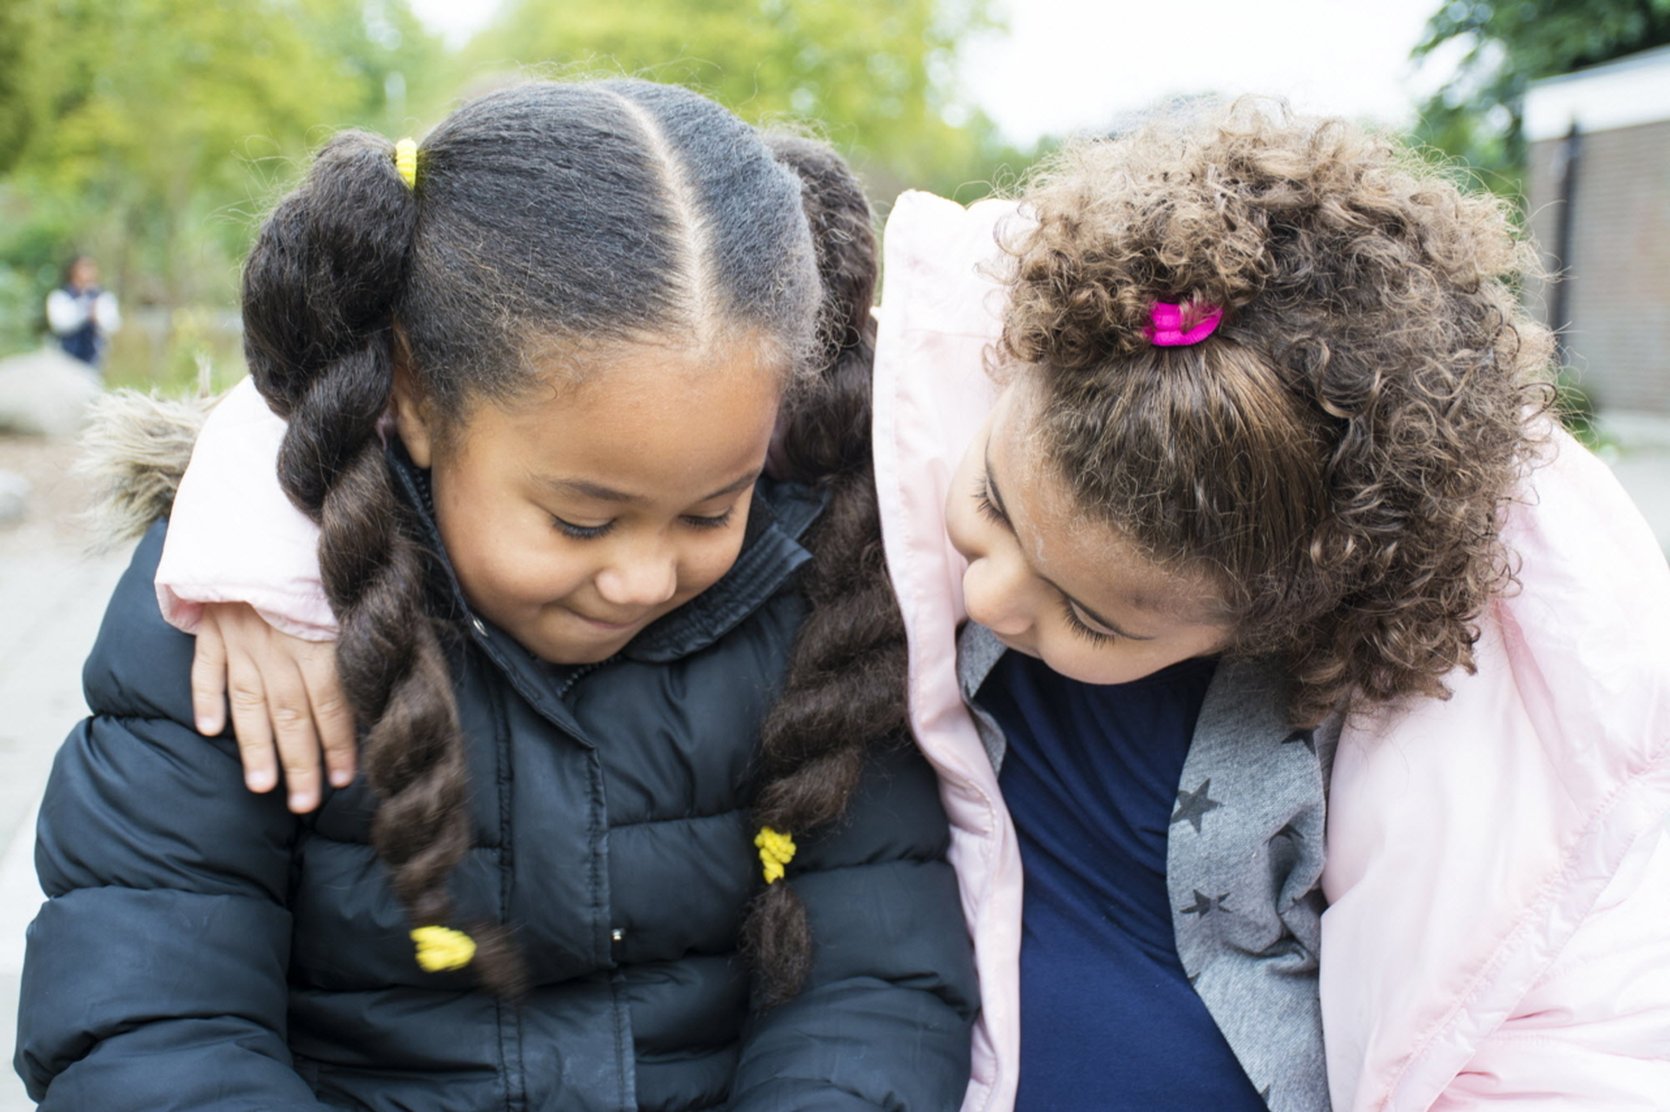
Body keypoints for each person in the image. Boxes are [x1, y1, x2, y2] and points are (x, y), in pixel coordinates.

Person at [129, 101, 1670, 1112]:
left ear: (1289, 615)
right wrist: (255, 535)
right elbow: (527, 263)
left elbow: (1572, 1040)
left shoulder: (1501, 694)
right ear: (991, 383)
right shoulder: (893, 418)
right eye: (994, 514)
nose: (982, 594)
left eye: (1095, 615)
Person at [14, 79, 976, 1111]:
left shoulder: (825, 592)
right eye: (581, 520)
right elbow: (146, 1017)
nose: (643, 576)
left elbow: (874, 987)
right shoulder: (241, 623)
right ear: (418, 399)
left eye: (710, 510)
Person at [46, 254, 120, 371]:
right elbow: (60, 324)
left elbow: (113, 325)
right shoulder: (61, 296)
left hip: (93, 357)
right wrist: (85, 310)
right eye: (84, 268)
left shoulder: (103, 297)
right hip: (66, 355)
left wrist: (97, 318)